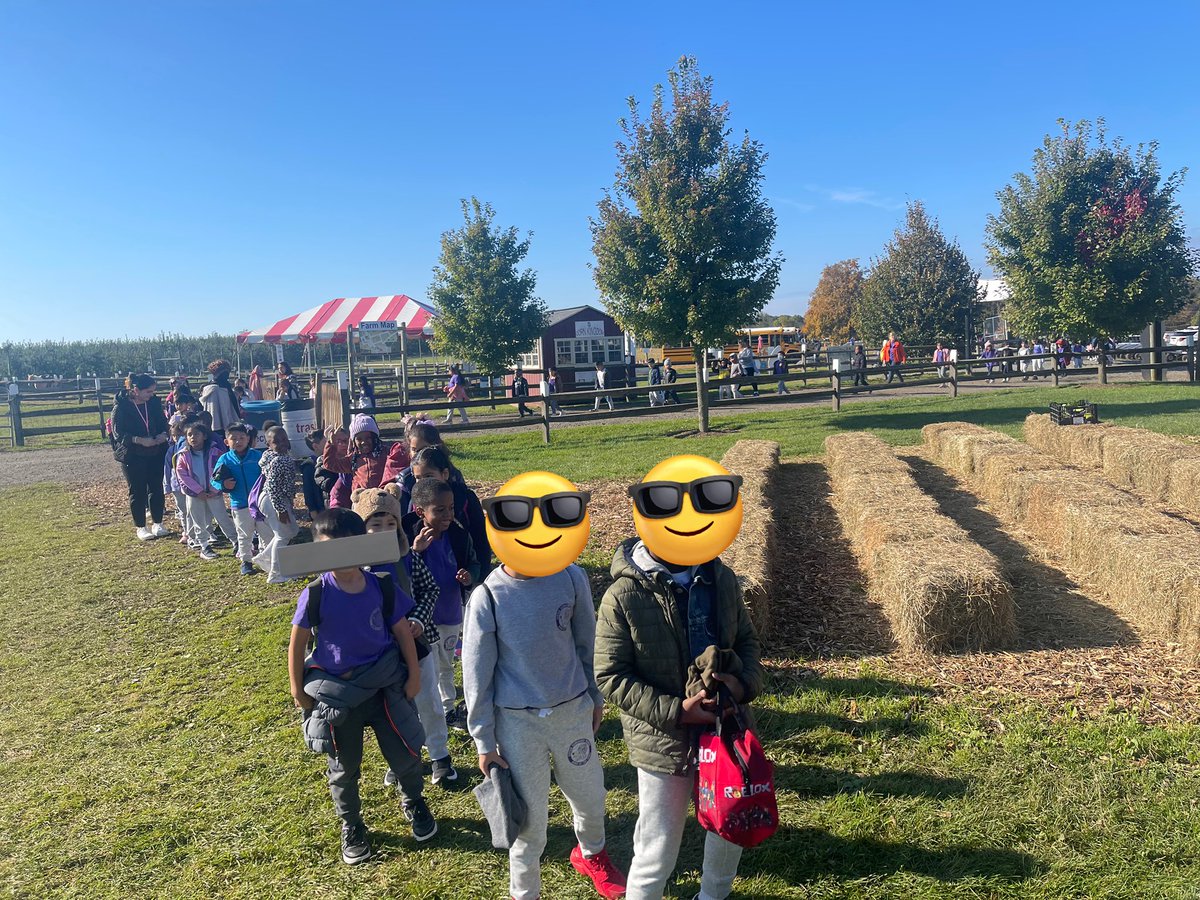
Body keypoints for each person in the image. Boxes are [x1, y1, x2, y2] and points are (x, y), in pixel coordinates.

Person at [594, 537, 763, 900]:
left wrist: (742, 684)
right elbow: (610, 675)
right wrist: (676, 712)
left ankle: (713, 895)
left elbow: (747, 640)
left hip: (725, 732)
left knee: (728, 825)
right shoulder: (623, 595)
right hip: (664, 742)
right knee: (658, 841)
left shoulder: (722, 578)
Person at [464, 541, 627, 900]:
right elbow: (477, 674)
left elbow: (588, 642)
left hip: (571, 714)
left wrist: (594, 696)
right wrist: (484, 741)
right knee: (528, 820)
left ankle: (592, 854)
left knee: (590, 796)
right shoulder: (488, 596)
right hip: (518, 724)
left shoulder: (570, 577)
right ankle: (524, 892)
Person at [288, 508, 436, 865]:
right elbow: (298, 641)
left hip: (386, 686)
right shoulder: (316, 593)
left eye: (346, 546)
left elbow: (402, 631)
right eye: (329, 548)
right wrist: (297, 690)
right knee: (344, 766)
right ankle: (351, 824)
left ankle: (413, 800)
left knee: (406, 753)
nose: (339, 556)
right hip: (339, 696)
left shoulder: (381, 584)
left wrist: (413, 676)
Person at [353, 486, 459, 790]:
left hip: (419, 646)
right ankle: (403, 760)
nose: (383, 531)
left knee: (428, 700)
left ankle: (440, 756)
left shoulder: (409, 560)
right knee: (394, 709)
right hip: (380, 654)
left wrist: (418, 620)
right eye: (375, 525)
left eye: (390, 524)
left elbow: (429, 590)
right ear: (362, 529)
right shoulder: (355, 570)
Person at [403, 477, 480, 733]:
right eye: (440, 510)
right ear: (420, 512)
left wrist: (469, 577)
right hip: (422, 619)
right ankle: (429, 710)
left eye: (451, 508)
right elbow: (403, 574)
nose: (448, 514)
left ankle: (447, 709)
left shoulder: (458, 535)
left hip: (450, 613)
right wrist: (416, 550)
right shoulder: (408, 536)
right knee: (428, 666)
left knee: (446, 663)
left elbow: (473, 562)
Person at [409, 445, 491, 574]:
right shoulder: (415, 501)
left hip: (463, 570)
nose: (423, 482)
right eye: (418, 478)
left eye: (429, 476)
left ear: (445, 474)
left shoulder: (465, 497)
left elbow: (480, 537)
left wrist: (481, 574)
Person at [110, 373, 171, 541]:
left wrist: (163, 435)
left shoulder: (153, 404)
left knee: (156, 487)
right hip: (132, 455)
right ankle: (141, 526)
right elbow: (118, 433)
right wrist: (139, 440)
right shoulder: (120, 407)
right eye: (148, 392)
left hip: (156, 452)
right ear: (135, 390)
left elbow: (163, 423)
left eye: (153, 392)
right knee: (137, 491)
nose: (151, 395)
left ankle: (158, 523)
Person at [211, 422, 271, 576]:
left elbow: (268, 475)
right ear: (226, 442)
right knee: (244, 534)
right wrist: (223, 483)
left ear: (248, 439)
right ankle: (246, 561)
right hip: (240, 504)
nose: (238, 441)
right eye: (234, 439)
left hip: (260, 503)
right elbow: (214, 480)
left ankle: (268, 559)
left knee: (266, 532)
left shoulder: (258, 456)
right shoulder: (225, 459)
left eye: (242, 438)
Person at [175, 420, 237, 561]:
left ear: (204, 436)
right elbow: (182, 475)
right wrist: (198, 491)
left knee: (222, 518)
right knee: (198, 520)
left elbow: (221, 471)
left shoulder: (216, 453)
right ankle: (204, 546)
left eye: (196, 434)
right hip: (195, 495)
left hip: (214, 494)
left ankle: (236, 542)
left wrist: (215, 489)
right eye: (189, 435)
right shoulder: (184, 455)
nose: (193, 437)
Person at [322, 415, 409, 508]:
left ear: (375, 437)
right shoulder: (353, 459)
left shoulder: (386, 453)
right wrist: (331, 444)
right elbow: (329, 464)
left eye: (368, 438)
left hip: (384, 500)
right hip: (362, 503)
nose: (364, 442)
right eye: (359, 439)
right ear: (353, 441)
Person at [253, 426, 300, 584]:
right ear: (268, 444)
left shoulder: (271, 456)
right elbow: (273, 486)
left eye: (284, 439)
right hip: (274, 500)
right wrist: (281, 509)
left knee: (291, 530)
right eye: (276, 442)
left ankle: (265, 557)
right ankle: (275, 573)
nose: (281, 444)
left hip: (271, 499)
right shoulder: (280, 460)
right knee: (283, 535)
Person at [200, 359, 242, 440]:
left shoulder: (226, 388)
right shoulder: (215, 390)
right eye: (224, 372)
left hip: (228, 426)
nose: (226, 375)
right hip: (216, 427)